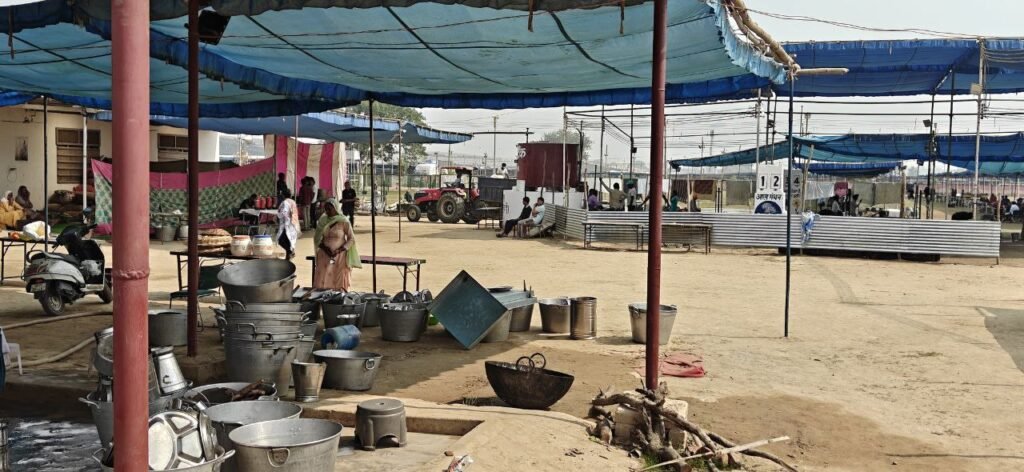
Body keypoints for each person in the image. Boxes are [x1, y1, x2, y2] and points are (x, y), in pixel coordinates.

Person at [313, 198, 360, 291]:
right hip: (324, 255)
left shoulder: (344, 221)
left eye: (329, 209)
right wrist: (325, 249)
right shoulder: (322, 221)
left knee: (338, 281)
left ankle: (338, 298)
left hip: (340, 256)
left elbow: (351, 239)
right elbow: (317, 239)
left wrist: (339, 250)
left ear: (336, 208)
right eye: (326, 209)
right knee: (322, 280)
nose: (327, 211)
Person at [276, 188, 300, 259]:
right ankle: (288, 256)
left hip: (287, 224)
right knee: (288, 240)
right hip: (293, 223)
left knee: (280, 240)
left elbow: (284, 213)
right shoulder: (293, 201)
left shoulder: (285, 202)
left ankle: (290, 252)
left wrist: (277, 215)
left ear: (283, 195)